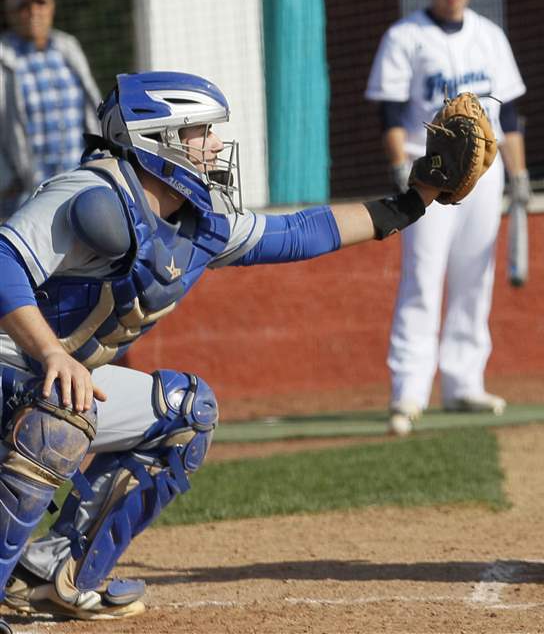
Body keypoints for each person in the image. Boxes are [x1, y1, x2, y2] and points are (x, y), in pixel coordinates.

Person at [0, 70, 470, 630]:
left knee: (187, 414)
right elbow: (4, 259)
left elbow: (300, 232)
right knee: (60, 417)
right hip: (14, 368)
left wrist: (411, 203)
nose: (217, 145)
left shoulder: (198, 227)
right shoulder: (95, 193)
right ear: (158, 137)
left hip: (42, 384)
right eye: (201, 131)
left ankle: (50, 575)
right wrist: (51, 353)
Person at [365, 0, 529, 436]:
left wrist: (519, 175)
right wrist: (401, 170)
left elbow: (512, 115)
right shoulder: (405, 36)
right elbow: (391, 113)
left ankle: (462, 383)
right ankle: (409, 393)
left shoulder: (489, 36)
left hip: (485, 170)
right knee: (423, 275)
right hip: (429, 169)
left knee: (474, 276)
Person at [0, 0, 101, 217]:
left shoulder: (68, 47)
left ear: (51, 6)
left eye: (39, 2)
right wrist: (6, 179)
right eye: (23, 5)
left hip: (80, 181)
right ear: (9, 13)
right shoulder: (3, 56)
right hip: (27, 193)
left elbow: (91, 108)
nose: (33, 11)